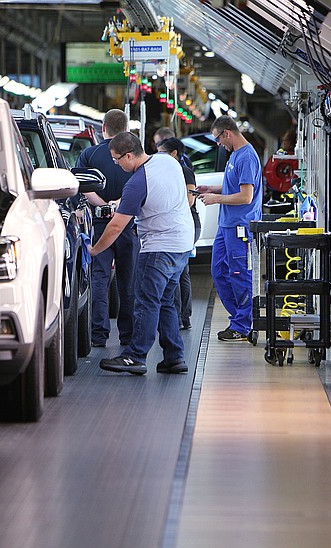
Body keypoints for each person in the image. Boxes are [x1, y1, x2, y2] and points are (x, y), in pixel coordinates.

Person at [90, 132, 194, 375]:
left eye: (117, 160)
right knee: (166, 301)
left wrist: (95, 250)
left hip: (159, 247)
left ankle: (135, 356)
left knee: (146, 302)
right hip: (182, 243)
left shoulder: (137, 183)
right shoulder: (167, 160)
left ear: (129, 155)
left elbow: (115, 226)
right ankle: (174, 357)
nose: (116, 164)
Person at [196, 115, 262, 342]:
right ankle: (240, 319)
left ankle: (242, 325)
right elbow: (233, 185)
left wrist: (216, 199)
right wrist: (212, 188)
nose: (218, 144)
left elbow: (246, 196)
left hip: (239, 226)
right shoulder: (234, 155)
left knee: (238, 273)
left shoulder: (247, 157)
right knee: (219, 272)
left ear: (227, 133)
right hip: (226, 226)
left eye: (217, 139)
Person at [76, 109, 139, 348]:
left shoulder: (89, 154)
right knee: (128, 280)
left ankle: (99, 335)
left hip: (99, 226)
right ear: (126, 128)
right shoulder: (133, 156)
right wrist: (120, 206)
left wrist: (104, 206)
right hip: (129, 224)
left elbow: (82, 185)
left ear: (104, 127)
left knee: (100, 279)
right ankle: (128, 335)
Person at [157, 137, 201, 330]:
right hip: (177, 224)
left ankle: (181, 316)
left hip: (188, 224)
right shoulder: (168, 171)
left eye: (162, 152)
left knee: (180, 271)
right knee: (179, 271)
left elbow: (189, 201)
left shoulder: (185, 171)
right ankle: (179, 316)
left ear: (173, 153)